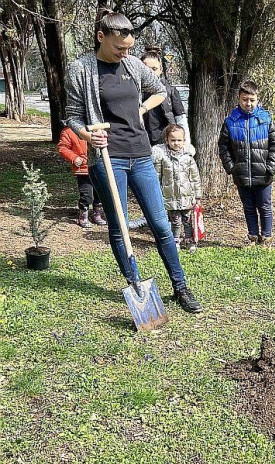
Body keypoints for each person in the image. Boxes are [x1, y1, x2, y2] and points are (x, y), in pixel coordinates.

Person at [65, 9, 202, 313]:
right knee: (120, 227)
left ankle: (180, 286)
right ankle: (135, 283)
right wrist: (88, 136)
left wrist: (140, 111)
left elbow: (160, 91)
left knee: (161, 225)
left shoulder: (132, 65)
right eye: (119, 47)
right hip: (107, 157)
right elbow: (72, 116)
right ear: (101, 37)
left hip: (140, 154)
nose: (125, 53)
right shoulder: (81, 69)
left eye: (129, 48)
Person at [129, 49, 191, 230]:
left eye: (154, 69)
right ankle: (147, 217)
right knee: (148, 185)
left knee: (170, 184)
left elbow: (180, 118)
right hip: (143, 145)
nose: (150, 72)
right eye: (145, 68)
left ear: (161, 69)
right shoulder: (134, 91)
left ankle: (174, 222)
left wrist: (185, 143)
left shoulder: (170, 91)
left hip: (168, 146)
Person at [218, 80, 275, 246]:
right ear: (239, 98)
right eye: (245, 99)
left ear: (257, 99)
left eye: (252, 100)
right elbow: (223, 146)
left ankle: (266, 238)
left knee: (265, 206)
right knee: (249, 207)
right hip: (241, 174)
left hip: (263, 173)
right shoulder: (231, 121)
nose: (248, 103)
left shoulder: (265, 119)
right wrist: (231, 167)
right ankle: (253, 236)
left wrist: (271, 167)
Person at [151, 124, 201, 253]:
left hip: (187, 197)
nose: (176, 143)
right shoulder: (163, 157)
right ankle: (175, 241)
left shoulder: (188, 158)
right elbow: (157, 177)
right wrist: (157, 194)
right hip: (170, 196)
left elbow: (195, 178)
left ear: (184, 141)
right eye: (173, 140)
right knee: (175, 221)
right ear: (167, 140)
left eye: (179, 140)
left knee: (187, 220)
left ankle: (189, 240)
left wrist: (197, 196)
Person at [57, 124, 107, 228]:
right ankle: (83, 214)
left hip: (99, 167)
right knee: (87, 194)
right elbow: (62, 147)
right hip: (83, 170)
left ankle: (97, 213)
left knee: (100, 192)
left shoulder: (98, 128)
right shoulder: (69, 131)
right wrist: (74, 158)